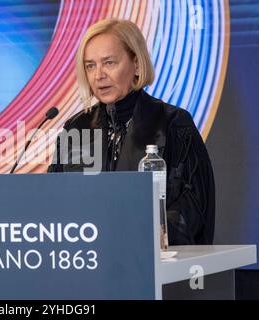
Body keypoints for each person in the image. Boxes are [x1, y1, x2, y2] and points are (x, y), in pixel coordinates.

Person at [47, 19, 215, 245]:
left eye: (109, 63)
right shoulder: (77, 128)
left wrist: (156, 233)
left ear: (136, 64)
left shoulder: (172, 123)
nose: (99, 75)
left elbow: (193, 203)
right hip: (87, 263)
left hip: (151, 262)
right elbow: (54, 200)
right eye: (90, 65)